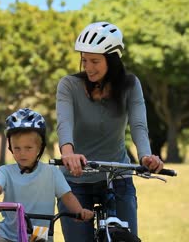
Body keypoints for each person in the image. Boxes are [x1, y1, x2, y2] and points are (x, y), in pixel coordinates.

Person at [56, 21, 165, 241]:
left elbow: (138, 126)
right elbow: (64, 122)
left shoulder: (131, 85)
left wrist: (146, 156)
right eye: (84, 60)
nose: (88, 67)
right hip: (75, 181)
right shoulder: (68, 85)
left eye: (95, 61)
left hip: (117, 177)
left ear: (113, 60)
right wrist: (68, 153)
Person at [0, 108, 94, 242]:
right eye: (17, 148)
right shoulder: (5, 172)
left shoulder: (52, 172)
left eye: (28, 148)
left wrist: (79, 211)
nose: (22, 153)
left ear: (40, 148)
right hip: (8, 235)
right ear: (10, 147)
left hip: (40, 235)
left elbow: (67, 196)